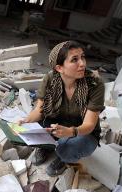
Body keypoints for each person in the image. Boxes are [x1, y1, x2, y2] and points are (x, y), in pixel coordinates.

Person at [19, 40, 105, 176]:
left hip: (82, 131)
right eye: (74, 60)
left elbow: (89, 125)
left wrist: (70, 132)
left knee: (69, 147)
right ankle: (46, 147)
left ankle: (63, 158)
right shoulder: (50, 79)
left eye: (82, 57)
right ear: (59, 68)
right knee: (33, 128)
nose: (82, 63)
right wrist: (25, 122)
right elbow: (39, 111)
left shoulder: (95, 83)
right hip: (55, 122)